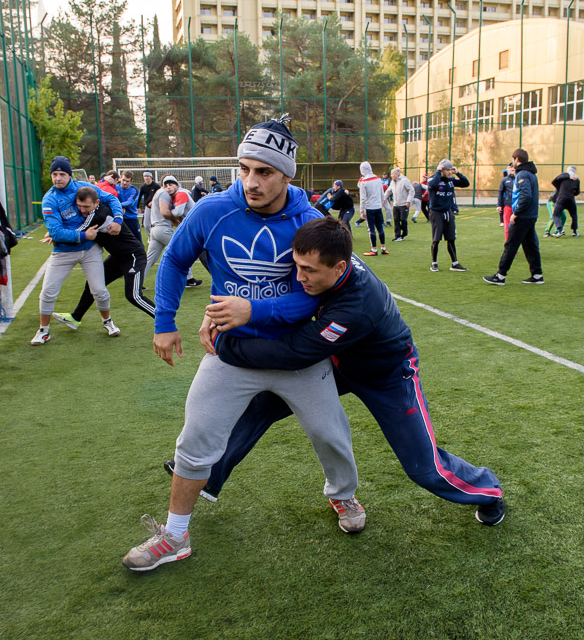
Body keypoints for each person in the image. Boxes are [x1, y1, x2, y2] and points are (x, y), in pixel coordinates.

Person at [122, 116, 363, 572]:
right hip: (230, 352)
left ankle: (344, 496)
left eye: (264, 172)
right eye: (245, 168)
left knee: (330, 434)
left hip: (298, 354)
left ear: (287, 174)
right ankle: (174, 536)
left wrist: (253, 311)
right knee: (194, 440)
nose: (251, 181)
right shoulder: (213, 209)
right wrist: (164, 322)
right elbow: (174, 260)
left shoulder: (309, 221)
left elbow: (312, 294)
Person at [194, 217, 505, 526]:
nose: (298, 276)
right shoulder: (328, 250)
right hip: (341, 361)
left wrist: (226, 346)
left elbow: (292, 353)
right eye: (297, 265)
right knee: (264, 404)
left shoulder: (355, 308)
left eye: (309, 271)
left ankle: (488, 490)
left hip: (387, 375)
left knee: (424, 468)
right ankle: (207, 475)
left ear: (340, 268)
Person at [33, 158, 123, 344]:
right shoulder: (49, 199)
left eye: (62, 174)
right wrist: (84, 236)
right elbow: (56, 232)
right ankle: (43, 330)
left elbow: (111, 198)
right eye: (54, 175)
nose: (58, 178)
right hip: (63, 252)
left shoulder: (83, 187)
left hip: (90, 250)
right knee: (48, 292)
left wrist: (118, 219)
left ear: (69, 175)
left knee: (99, 290)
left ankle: (107, 321)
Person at [51, 195, 157, 330]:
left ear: (96, 203)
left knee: (133, 296)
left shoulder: (96, 216)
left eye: (86, 207)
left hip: (133, 257)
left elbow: (78, 232)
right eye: (80, 206)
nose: (83, 210)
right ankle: (76, 318)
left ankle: (164, 320)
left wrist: (55, 234)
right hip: (117, 257)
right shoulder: (96, 210)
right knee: (93, 285)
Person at [484, 148, 543, 286]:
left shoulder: (523, 174)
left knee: (511, 244)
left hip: (523, 216)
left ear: (516, 159)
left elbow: (526, 195)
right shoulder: (530, 174)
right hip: (530, 215)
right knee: (530, 245)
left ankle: (500, 275)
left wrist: (516, 213)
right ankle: (537, 274)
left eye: (513, 159)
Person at [145, 176, 203, 288]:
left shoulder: (174, 193)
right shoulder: (165, 194)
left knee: (150, 259)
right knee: (183, 250)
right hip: (164, 229)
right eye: (166, 185)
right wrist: (176, 218)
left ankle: (136, 283)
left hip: (155, 229)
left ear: (176, 184)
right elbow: (171, 212)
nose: (168, 187)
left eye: (171, 184)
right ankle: (188, 279)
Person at [427, 159, 469, 272]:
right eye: (447, 169)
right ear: (442, 169)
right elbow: (432, 185)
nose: (450, 172)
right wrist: (438, 172)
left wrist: (458, 173)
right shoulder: (434, 178)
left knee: (451, 238)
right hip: (436, 213)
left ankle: (455, 263)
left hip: (448, 212)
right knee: (436, 239)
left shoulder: (451, 180)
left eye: (451, 169)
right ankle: (434, 263)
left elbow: (466, 183)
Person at [358, 161, 389, 256]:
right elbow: (381, 192)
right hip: (378, 206)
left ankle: (374, 249)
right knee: (380, 227)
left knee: (371, 229)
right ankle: (383, 248)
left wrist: (361, 210)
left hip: (369, 207)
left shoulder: (363, 182)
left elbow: (363, 198)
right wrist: (382, 201)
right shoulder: (378, 179)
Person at [550, 166, 581, 237]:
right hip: (571, 198)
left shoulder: (562, 177)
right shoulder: (577, 179)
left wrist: (559, 188)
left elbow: (554, 181)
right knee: (574, 215)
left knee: (555, 215)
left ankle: (560, 230)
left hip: (561, 198)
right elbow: (578, 192)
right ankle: (574, 232)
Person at [114, 170, 142, 243]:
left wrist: (117, 205)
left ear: (131, 181)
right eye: (123, 180)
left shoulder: (135, 191)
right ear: (120, 178)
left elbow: (130, 203)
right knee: (118, 242)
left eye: (127, 181)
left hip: (131, 219)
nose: (124, 183)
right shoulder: (115, 187)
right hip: (119, 218)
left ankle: (141, 254)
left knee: (137, 241)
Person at [388, 168, 415, 242]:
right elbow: (389, 191)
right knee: (396, 220)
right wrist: (383, 199)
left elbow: (411, 190)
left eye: (392, 174)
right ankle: (397, 236)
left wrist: (408, 201)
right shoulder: (392, 182)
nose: (391, 176)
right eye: (391, 174)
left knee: (403, 219)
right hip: (395, 204)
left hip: (404, 204)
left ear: (396, 174)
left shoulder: (404, 180)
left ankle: (405, 232)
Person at [496, 163, 515, 238]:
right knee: (507, 226)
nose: (509, 169)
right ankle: (508, 244)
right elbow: (500, 192)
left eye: (510, 168)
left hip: (518, 206)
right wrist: (499, 205)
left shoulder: (519, 179)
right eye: (508, 168)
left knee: (519, 227)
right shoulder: (504, 180)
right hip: (508, 205)